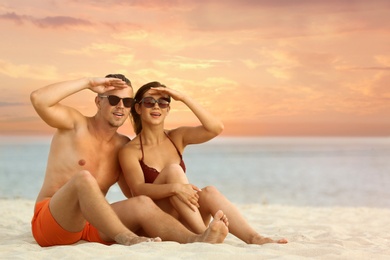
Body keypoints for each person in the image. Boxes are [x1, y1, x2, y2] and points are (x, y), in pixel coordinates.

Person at [30, 75, 229, 247]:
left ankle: (196, 239)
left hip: (91, 224)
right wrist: (88, 82)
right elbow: (39, 99)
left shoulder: (122, 146)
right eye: (114, 99)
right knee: (84, 179)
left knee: (141, 203)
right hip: (52, 222)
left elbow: (137, 194)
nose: (120, 106)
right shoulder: (74, 124)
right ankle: (126, 237)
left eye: (127, 102)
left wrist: (175, 194)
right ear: (99, 102)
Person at [119, 81, 288, 245]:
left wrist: (183, 98)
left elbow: (215, 128)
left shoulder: (176, 137)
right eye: (149, 102)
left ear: (168, 109)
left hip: (186, 221)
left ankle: (254, 238)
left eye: (163, 102)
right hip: (158, 223)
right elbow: (137, 189)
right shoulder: (130, 150)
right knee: (173, 171)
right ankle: (204, 234)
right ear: (138, 108)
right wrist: (175, 187)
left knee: (209, 192)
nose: (156, 106)